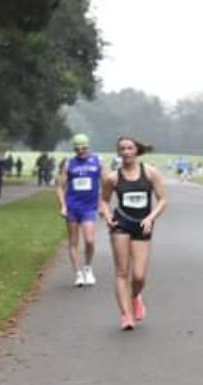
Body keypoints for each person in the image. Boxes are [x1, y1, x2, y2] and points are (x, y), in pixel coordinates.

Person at [99, 136, 168, 331]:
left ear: (136, 150)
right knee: (122, 272)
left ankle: (135, 296)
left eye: (130, 148)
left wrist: (151, 218)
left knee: (139, 276)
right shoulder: (113, 178)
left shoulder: (150, 172)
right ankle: (126, 315)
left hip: (142, 225)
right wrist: (107, 215)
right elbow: (104, 200)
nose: (126, 152)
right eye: (122, 149)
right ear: (118, 152)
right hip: (121, 224)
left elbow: (163, 199)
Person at [56, 133, 102, 287]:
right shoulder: (69, 163)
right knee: (73, 241)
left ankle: (88, 268)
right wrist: (63, 206)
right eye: (77, 148)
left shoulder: (97, 161)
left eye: (83, 148)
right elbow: (60, 187)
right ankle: (78, 273)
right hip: (73, 206)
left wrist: (103, 203)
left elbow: (107, 183)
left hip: (89, 206)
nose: (81, 151)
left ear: (88, 147)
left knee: (89, 240)